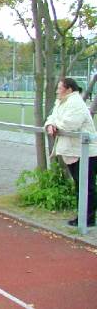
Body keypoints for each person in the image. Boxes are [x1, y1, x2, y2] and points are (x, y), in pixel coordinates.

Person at [45, 77, 97, 227]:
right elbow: (52, 117)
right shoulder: (62, 102)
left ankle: (87, 218)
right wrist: (50, 124)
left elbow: (70, 124)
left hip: (86, 151)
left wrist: (54, 124)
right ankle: (84, 216)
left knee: (86, 186)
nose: (57, 91)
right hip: (74, 151)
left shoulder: (75, 103)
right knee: (80, 185)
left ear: (68, 89)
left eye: (59, 88)